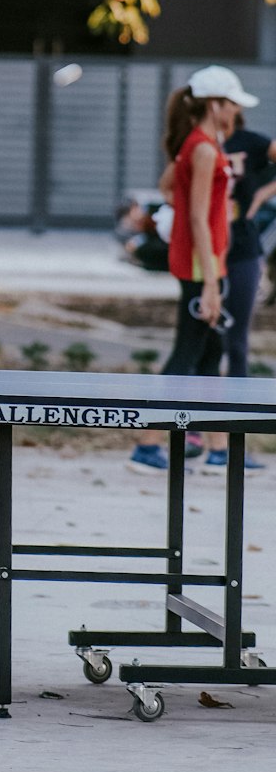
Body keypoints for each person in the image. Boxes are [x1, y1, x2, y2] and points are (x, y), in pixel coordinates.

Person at [129, 65, 263, 475]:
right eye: (233, 104)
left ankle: (218, 451)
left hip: (203, 262)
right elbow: (201, 219)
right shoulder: (203, 148)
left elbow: (170, 185)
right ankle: (147, 447)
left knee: (210, 354)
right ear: (216, 104)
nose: (237, 113)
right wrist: (210, 282)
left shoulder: (198, 145)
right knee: (187, 352)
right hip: (200, 265)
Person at [223, 115, 276, 380]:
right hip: (208, 248)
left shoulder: (248, 141)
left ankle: (235, 411)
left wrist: (263, 194)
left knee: (236, 339)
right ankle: (196, 411)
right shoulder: (199, 141)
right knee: (206, 340)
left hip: (242, 244)